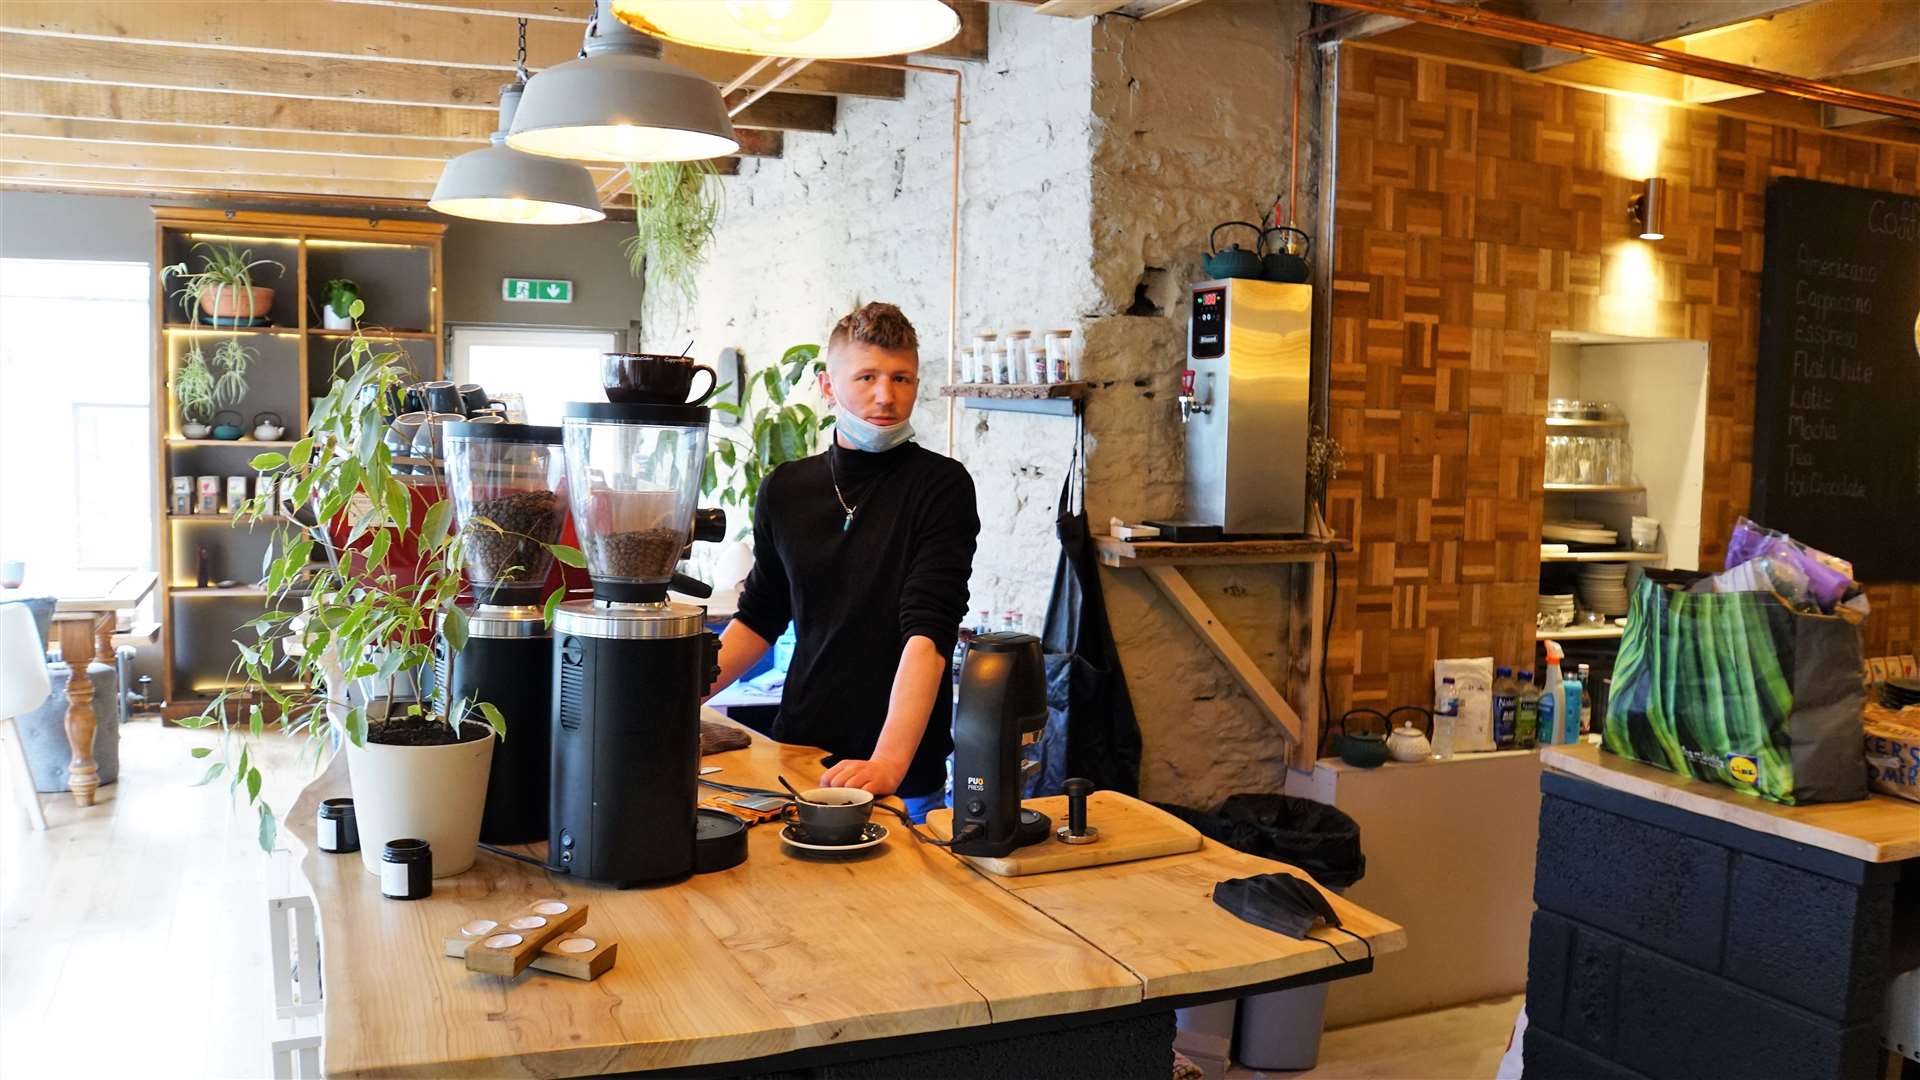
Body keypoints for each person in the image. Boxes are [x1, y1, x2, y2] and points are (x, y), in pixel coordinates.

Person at [707, 302, 978, 822]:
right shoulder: (786, 488)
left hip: (901, 766)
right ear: (829, 387)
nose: (886, 395)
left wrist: (887, 763)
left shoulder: (941, 486)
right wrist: (677, 697)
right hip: (799, 749)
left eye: (902, 378)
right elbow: (761, 615)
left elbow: (929, 630)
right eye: (868, 376)